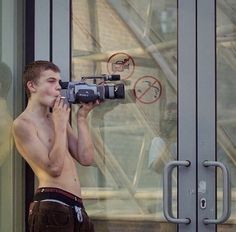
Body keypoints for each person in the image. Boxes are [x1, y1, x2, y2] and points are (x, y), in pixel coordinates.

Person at [12, 60, 98, 232]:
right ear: (32, 86)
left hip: (77, 207)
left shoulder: (57, 118)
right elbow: (54, 168)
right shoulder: (23, 124)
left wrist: (82, 118)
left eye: (59, 82)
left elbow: (86, 158)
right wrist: (60, 125)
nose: (58, 87)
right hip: (52, 207)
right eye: (51, 81)